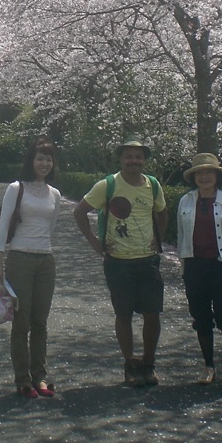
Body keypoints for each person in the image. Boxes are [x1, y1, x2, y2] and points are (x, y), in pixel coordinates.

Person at [73, 138, 167, 387]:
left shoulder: (153, 185)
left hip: (147, 260)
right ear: (121, 159)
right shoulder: (108, 185)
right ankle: (130, 363)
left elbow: (161, 212)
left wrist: (158, 242)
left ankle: (149, 362)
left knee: (152, 314)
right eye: (129, 156)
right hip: (118, 261)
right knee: (123, 314)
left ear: (144, 160)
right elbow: (80, 211)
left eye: (138, 157)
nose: (133, 161)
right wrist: (94, 242)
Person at [0, 138, 63, 399]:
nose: (44, 163)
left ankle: (40, 377)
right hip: (20, 259)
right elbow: (4, 225)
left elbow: (51, 228)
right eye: (39, 158)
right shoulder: (16, 188)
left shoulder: (54, 194)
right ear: (30, 161)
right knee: (21, 322)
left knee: (40, 322)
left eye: (48, 159)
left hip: (46, 260)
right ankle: (23, 378)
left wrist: (45, 250)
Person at [176, 152, 222, 387]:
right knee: (201, 318)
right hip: (195, 268)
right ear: (193, 177)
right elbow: (181, 236)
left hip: (221, 267)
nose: (204, 176)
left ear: (217, 176)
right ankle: (208, 366)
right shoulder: (186, 201)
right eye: (200, 173)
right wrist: (184, 267)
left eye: (209, 172)